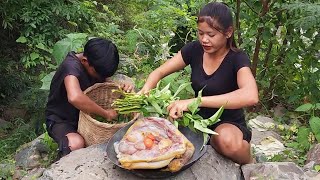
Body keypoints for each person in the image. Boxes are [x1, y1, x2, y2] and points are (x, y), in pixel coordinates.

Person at [139, 2, 258, 165]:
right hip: (195, 120)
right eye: (200, 33)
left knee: (226, 141)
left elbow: (251, 95)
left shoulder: (237, 58)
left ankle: (251, 163)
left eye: (211, 34)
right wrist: (145, 90)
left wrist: (196, 102)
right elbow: (159, 72)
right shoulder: (195, 49)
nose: (204, 39)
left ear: (228, 32)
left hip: (228, 124)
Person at [45, 37, 134, 158]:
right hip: (62, 119)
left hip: (85, 118)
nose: (101, 77)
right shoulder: (71, 66)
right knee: (76, 143)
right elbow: (75, 97)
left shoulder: (95, 65)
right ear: (85, 61)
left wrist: (121, 87)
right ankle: (63, 161)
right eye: (99, 74)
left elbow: (105, 83)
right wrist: (106, 114)